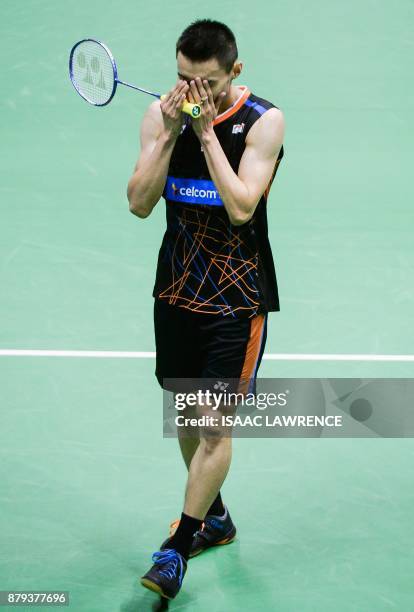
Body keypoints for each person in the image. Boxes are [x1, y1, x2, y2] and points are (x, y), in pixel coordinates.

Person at [127, 18, 285, 600]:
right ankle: (215, 517)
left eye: (209, 84)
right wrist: (169, 135)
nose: (194, 94)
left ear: (235, 72)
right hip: (176, 291)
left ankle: (178, 548)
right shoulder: (159, 118)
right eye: (183, 80)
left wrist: (208, 134)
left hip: (236, 300)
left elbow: (243, 206)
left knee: (214, 425)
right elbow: (140, 204)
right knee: (187, 420)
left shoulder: (263, 122)